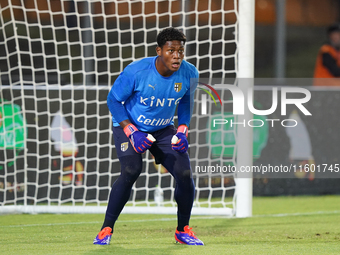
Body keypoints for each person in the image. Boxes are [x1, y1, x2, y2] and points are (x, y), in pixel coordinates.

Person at [93, 27, 204, 246]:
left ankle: (183, 230)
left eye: (180, 51)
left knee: (184, 173)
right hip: (130, 126)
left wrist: (182, 128)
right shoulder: (136, 71)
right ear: (159, 51)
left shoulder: (190, 72)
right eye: (171, 50)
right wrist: (131, 131)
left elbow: (185, 101)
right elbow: (113, 101)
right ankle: (106, 229)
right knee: (131, 170)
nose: (177, 56)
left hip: (163, 129)